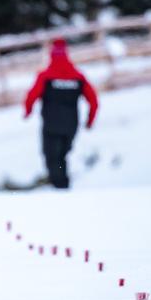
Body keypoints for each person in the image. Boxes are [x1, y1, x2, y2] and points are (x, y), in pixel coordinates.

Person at [24, 38, 99, 188]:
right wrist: (90, 120)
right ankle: (63, 185)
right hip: (71, 125)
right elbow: (93, 101)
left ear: (51, 54)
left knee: (52, 157)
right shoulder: (78, 76)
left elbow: (32, 96)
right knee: (63, 156)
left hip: (51, 125)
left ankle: (60, 188)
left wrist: (28, 111)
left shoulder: (45, 76)